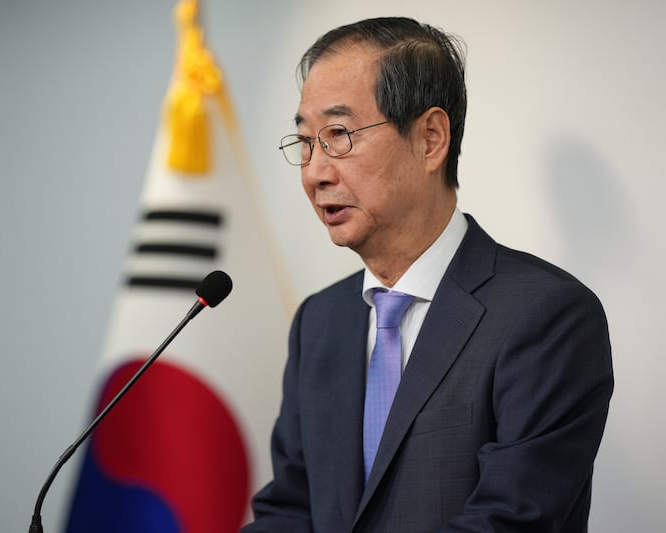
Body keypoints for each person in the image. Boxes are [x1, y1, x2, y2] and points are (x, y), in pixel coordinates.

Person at [242, 16, 613, 533]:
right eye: (305, 142)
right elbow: (291, 510)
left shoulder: (546, 317)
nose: (315, 172)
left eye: (339, 135)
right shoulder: (319, 322)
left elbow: (509, 521)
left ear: (431, 138)